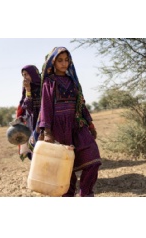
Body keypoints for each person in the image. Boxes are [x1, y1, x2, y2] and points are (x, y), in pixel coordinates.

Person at [38, 47, 102, 197]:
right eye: (60, 60)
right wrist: (47, 131)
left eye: (66, 60)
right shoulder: (49, 82)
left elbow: (81, 104)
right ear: (52, 63)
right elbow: (46, 107)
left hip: (78, 126)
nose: (64, 63)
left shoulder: (73, 81)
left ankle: (86, 193)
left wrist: (90, 124)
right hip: (59, 129)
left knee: (94, 159)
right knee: (66, 169)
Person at [12, 65, 41, 161]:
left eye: (27, 74)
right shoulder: (26, 89)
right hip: (31, 124)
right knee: (34, 152)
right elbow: (26, 107)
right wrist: (21, 118)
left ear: (33, 74)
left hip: (42, 122)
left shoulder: (44, 86)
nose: (25, 77)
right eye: (23, 75)